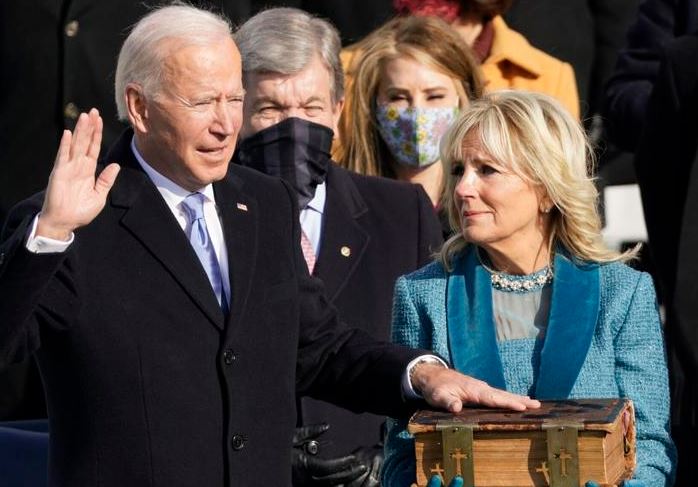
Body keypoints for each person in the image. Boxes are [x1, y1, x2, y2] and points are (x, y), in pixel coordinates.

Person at [0, 4, 540, 486]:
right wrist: (50, 235)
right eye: (203, 102)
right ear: (139, 108)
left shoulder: (261, 202)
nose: (225, 124)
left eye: (235, 99)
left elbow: (319, 345)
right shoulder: (70, 219)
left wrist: (422, 374)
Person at [382, 90, 676, 486]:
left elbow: (649, 448)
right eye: (458, 170)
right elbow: (401, 455)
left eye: (487, 170)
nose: (463, 188)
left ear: (546, 189)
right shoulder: (422, 296)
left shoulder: (623, 294)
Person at [233, 7, 442, 486]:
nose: (292, 127)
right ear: (237, 111)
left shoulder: (402, 212)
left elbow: (436, 358)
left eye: (310, 109)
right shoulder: (209, 215)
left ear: (338, 110)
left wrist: (391, 459)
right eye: (269, 110)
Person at [336, 15, 483, 240]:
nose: (417, 112)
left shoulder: (484, 205)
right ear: (373, 104)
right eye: (398, 97)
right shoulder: (342, 200)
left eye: (435, 96)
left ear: (463, 99)